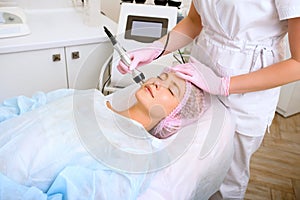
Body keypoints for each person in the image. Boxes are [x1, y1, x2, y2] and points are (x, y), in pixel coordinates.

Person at [116, 1, 300, 199]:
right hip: (197, 78)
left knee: (226, 183)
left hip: (245, 94)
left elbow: (297, 64)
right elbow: (195, 21)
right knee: (187, 168)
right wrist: (155, 49)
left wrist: (223, 85)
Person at [0, 69, 206, 198]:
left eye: (171, 91)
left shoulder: (135, 157)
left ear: (175, 117)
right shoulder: (88, 97)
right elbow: (22, 106)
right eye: (162, 77)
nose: (158, 83)